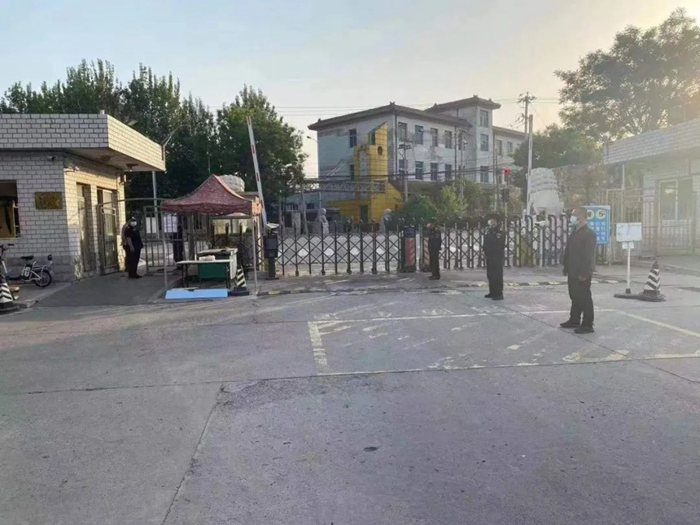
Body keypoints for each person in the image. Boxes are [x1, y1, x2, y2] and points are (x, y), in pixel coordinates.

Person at [561, 206, 597, 333]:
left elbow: (588, 255)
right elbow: (569, 250)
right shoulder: (575, 231)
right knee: (574, 295)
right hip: (572, 269)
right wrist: (566, 266)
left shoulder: (589, 233)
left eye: (574, 215)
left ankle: (588, 324)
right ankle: (574, 319)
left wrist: (584, 273)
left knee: (584, 298)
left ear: (581, 216)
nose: (572, 217)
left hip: (582, 272)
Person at [483, 215, 505, 300]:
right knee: (490, 274)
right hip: (489, 255)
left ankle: (498, 293)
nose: (491, 223)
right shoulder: (489, 231)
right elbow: (486, 241)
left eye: (493, 221)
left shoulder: (500, 232)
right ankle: (492, 291)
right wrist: (484, 249)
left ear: (497, 222)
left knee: (497, 274)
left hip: (497, 256)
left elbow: (498, 244)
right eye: (491, 221)